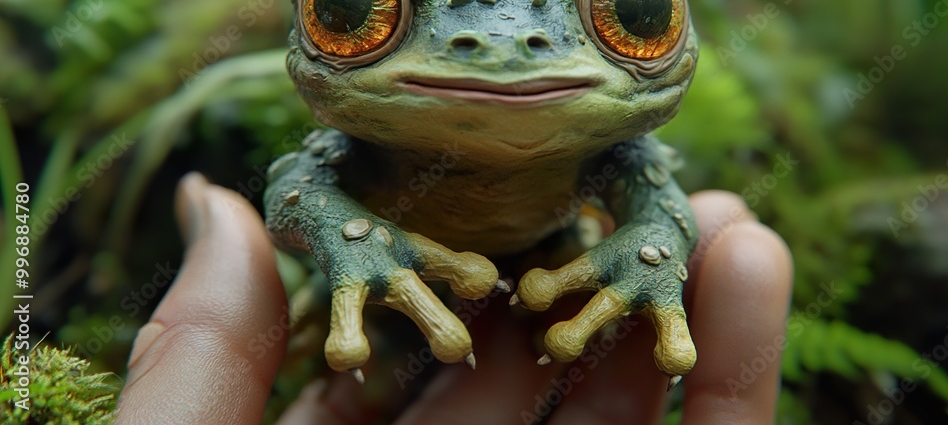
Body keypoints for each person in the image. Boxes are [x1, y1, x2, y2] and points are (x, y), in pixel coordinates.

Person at [115, 172, 792, 424]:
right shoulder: (362, 132)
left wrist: (648, 255)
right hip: (390, 326)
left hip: (546, 275)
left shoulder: (610, 140)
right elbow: (297, 191)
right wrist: (350, 249)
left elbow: (653, 190)